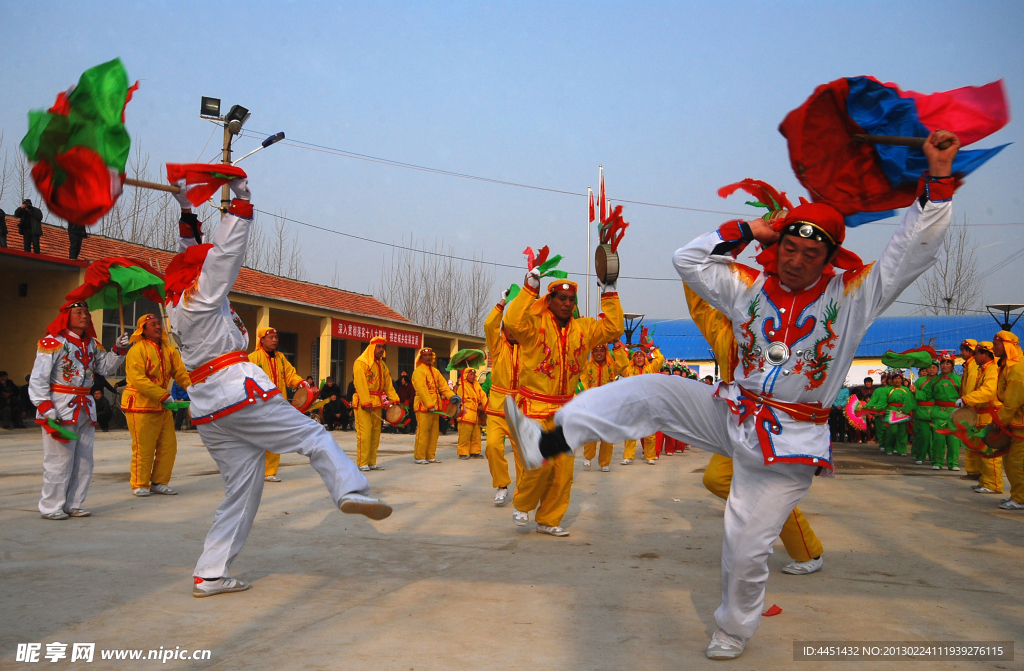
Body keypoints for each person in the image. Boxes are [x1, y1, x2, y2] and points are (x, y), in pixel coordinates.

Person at [505, 131, 959, 658]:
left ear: (829, 259)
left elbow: (910, 254)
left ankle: (733, 628)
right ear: (778, 243)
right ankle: (548, 442)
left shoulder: (853, 295)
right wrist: (747, 228)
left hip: (787, 442)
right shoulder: (748, 285)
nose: (795, 260)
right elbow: (688, 261)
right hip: (731, 408)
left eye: (811, 253)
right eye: (789, 246)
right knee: (651, 390)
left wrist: (939, 181)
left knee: (744, 546)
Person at [165, 175, 389, 598]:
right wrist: (241, 204)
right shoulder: (204, 295)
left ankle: (211, 573)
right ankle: (350, 489)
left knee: (241, 491)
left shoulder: (178, 302)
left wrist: (186, 211)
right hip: (236, 391)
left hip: (210, 409)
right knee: (312, 435)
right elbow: (223, 255)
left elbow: (192, 253)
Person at [686, 283, 825, 576]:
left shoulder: (775, 330)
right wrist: (693, 269)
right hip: (737, 422)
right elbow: (699, 306)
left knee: (772, 491)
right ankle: (764, 521)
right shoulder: (721, 329)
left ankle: (808, 552)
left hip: (775, 423)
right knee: (716, 479)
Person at [504, 272, 624, 538]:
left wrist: (609, 291)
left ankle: (548, 518)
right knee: (539, 465)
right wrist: (528, 289)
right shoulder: (534, 325)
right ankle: (523, 504)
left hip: (565, 412)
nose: (567, 303)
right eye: (561, 298)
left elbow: (614, 328)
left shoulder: (585, 328)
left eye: (571, 299)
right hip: (534, 406)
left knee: (563, 472)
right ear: (549, 300)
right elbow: (511, 322)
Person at [29, 301, 130, 519]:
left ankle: (74, 503)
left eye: (86, 312)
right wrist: (46, 407)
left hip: (85, 406)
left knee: (84, 460)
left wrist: (118, 350)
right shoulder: (52, 342)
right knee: (58, 461)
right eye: (79, 312)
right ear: (67, 316)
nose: (85, 316)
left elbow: (104, 368)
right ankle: (51, 507)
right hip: (60, 405)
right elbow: (38, 379)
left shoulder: (93, 344)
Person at [121, 313, 192, 496]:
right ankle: (140, 483)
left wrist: (196, 388)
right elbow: (138, 379)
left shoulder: (169, 349)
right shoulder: (136, 350)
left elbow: (181, 373)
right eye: (153, 324)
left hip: (162, 405)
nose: (158, 327)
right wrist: (162, 395)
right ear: (143, 330)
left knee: (169, 446)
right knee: (144, 447)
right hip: (140, 405)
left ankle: (159, 481)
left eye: (158, 323)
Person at [248, 326, 309, 482]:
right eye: (271, 337)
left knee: (275, 438)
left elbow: (290, 375)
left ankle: (270, 472)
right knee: (257, 439)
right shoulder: (252, 358)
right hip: (259, 405)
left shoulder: (281, 358)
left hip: (277, 404)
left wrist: (300, 382)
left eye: (276, 337)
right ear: (261, 340)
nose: (274, 340)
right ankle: (253, 471)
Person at [483, 291, 522, 505]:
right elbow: (489, 325)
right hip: (497, 409)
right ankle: (501, 485)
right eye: (509, 327)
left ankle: (523, 492)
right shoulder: (498, 348)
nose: (513, 331)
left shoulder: (529, 348)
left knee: (523, 455)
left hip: (521, 410)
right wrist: (502, 303)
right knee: (492, 447)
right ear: (504, 329)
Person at [612, 339, 665, 464]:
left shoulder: (651, 368)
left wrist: (651, 348)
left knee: (650, 433)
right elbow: (621, 364)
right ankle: (628, 456)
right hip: (633, 404)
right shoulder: (628, 370)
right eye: (637, 356)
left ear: (645, 358)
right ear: (633, 359)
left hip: (648, 404)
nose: (639, 358)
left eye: (641, 356)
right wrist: (622, 349)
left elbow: (660, 359)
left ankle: (650, 456)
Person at [351, 337, 399, 472]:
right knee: (364, 434)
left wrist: (394, 399)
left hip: (377, 403)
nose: (381, 349)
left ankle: (372, 462)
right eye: (379, 347)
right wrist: (366, 401)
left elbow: (388, 384)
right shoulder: (361, 363)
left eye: (383, 347)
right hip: (363, 404)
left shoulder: (382, 365)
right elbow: (360, 384)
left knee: (375, 434)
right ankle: (362, 462)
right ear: (372, 347)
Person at [962, 342, 1003, 494]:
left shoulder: (992, 369)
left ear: (986, 354)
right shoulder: (984, 369)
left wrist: (967, 400)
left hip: (990, 415)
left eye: (977, 353)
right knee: (982, 451)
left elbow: (988, 391)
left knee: (990, 452)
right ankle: (985, 481)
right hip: (983, 416)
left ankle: (993, 484)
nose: (975, 356)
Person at [411, 347, 457, 464]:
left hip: (435, 407)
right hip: (423, 406)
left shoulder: (435, 371)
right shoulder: (418, 371)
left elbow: (443, 387)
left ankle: (430, 455)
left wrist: (451, 396)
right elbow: (422, 389)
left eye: (430, 355)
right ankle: (420, 456)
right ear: (421, 358)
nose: (428, 357)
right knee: (423, 432)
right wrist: (429, 404)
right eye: (425, 355)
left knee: (434, 433)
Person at [994, 331, 1024, 510]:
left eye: (996, 344)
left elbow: (1012, 401)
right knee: (1010, 461)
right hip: (1014, 422)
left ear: (1007, 346)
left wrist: (999, 421)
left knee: (1018, 463)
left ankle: (1020, 498)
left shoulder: (1018, 369)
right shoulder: (1007, 366)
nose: (994, 347)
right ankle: (1016, 495)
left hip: (1020, 423)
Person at [580, 342, 619, 471]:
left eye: (601, 351)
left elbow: (624, 363)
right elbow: (579, 359)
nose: (598, 353)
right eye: (595, 351)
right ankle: (588, 456)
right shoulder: (587, 366)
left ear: (606, 352)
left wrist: (618, 345)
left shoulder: (612, 366)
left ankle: (605, 463)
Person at [929, 353, 962, 471]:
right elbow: (927, 394)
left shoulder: (959, 380)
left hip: (954, 413)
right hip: (938, 412)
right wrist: (915, 392)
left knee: (953, 439)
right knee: (938, 438)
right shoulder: (934, 381)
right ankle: (937, 461)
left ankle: (953, 463)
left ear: (952, 365)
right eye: (942, 363)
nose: (945, 365)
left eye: (948, 363)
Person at [959, 339, 981, 481]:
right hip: (969, 407)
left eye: (963, 350)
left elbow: (971, 387)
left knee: (975, 443)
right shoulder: (968, 366)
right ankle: (972, 471)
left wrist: (966, 402)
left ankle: (976, 472)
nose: (961, 353)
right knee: (970, 442)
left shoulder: (973, 367)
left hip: (972, 408)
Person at [455, 367, 486, 459]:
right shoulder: (462, 387)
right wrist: (478, 407)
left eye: (474, 374)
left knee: (476, 435)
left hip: (475, 415)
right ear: (465, 375)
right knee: (465, 435)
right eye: (470, 374)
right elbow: (465, 401)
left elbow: (483, 396)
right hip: (466, 414)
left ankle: (475, 452)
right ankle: (463, 453)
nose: (472, 376)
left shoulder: (477, 386)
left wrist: (486, 406)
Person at [912, 363, 938, 464]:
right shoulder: (920, 381)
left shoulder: (941, 380)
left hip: (937, 411)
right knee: (923, 436)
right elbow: (912, 397)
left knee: (936, 437)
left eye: (934, 367)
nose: (931, 370)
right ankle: (920, 456)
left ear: (937, 369)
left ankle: (935, 457)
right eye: (929, 367)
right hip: (922, 411)